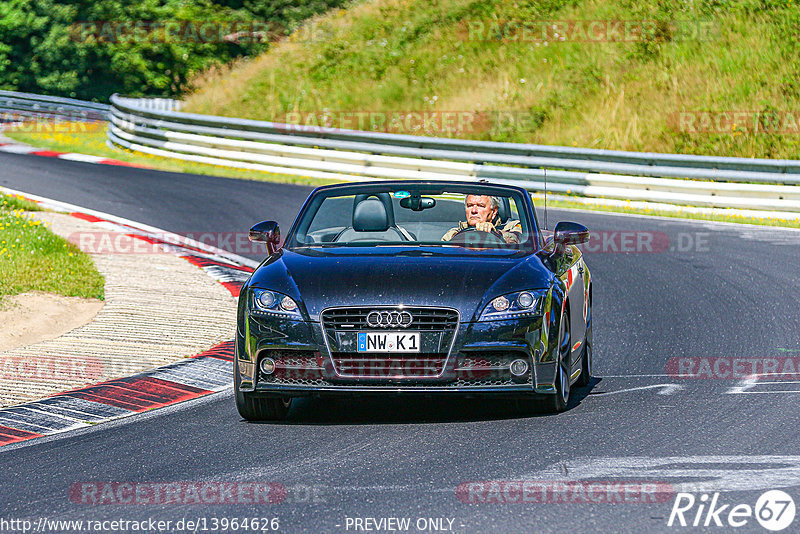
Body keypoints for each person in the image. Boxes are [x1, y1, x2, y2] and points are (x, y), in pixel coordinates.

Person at [441, 194, 522, 244]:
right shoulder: (453, 233)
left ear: (494, 211)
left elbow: (518, 240)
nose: (473, 210)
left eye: (480, 206)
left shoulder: (513, 226)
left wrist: (494, 233)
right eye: (470, 205)